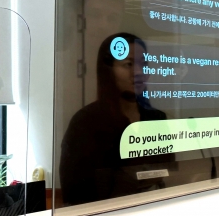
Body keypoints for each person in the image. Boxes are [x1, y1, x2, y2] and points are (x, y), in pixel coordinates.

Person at [59, 33, 171, 205]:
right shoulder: (85, 123)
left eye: (144, 64)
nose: (139, 72)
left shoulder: (157, 119)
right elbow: (75, 195)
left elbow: (167, 173)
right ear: (108, 71)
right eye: (128, 64)